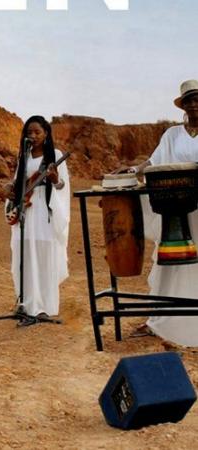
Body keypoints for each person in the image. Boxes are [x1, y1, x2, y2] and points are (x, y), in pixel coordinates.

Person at [129, 80, 198, 346]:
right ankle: (160, 317)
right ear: (183, 105)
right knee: (169, 260)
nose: (193, 105)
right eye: (189, 101)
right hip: (175, 207)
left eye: (197, 99)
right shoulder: (172, 134)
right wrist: (136, 170)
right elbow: (155, 161)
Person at [5, 116, 70, 326]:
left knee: (42, 257)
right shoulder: (23, 156)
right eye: (29, 133)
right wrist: (10, 189)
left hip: (44, 210)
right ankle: (25, 303)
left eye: (37, 133)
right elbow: (18, 183)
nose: (32, 136)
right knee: (24, 256)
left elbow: (62, 186)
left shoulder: (56, 156)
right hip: (26, 210)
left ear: (46, 134)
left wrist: (55, 180)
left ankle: (41, 307)